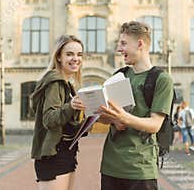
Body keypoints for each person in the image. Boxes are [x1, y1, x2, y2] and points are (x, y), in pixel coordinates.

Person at [97, 21, 174, 190]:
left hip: (140, 168)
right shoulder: (118, 76)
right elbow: (105, 117)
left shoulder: (161, 80)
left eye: (124, 43)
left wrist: (124, 118)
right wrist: (105, 116)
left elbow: (154, 125)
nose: (119, 49)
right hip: (110, 165)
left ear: (140, 44)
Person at [30, 35, 86, 190]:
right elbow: (48, 119)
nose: (76, 59)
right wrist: (71, 106)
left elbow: (66, 123)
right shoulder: (55, 82)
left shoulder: (68, 85)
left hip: (66, 152)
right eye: (69, 54)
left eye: (79, 54)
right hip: (53, 155)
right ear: (59, 57)